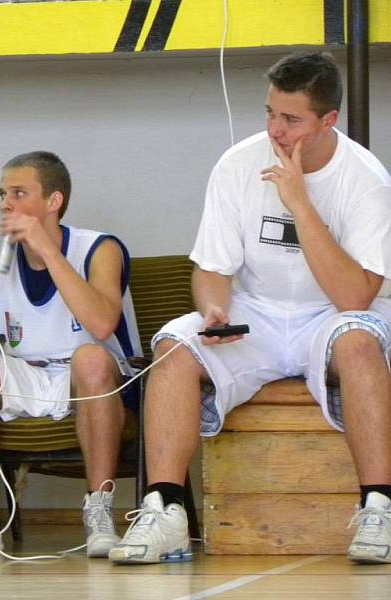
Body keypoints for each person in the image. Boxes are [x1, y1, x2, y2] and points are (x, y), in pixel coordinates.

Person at [109, 51, 391, 565]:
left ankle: (379, 506)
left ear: (328, 120)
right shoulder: (238, 163)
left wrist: (299, 203)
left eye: (291, 119)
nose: (275, 131)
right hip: (256, 311)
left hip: (334, 313)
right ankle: (165, 509)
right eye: (269, 114)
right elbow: (212, 268)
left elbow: (356, 297)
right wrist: (214, 309)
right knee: (175, 345)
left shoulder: (366, 178)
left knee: (359, 340)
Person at [0, 151, 141, 557]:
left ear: (53, 201)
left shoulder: (100, 248)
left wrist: (49, 252)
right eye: (2, 194)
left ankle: (99, 513)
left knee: (90, 358)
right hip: (28, 373)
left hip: (93, 378)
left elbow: (102, 325)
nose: (5, 203)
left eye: (19, 193)